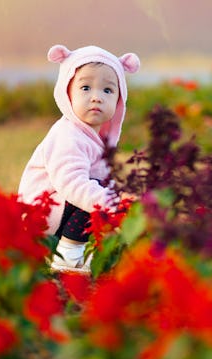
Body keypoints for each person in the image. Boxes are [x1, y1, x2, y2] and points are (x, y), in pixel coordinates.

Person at [18, 44, 140, 273]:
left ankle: (89, 247)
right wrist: (112, 201)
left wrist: (121, 197)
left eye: (107, 90)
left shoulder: (96, 137)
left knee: (106, 192)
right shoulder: (67, 135)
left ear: (119, 100)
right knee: (93, 195)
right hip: (42, 213)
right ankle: (68, 254)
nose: (96, 98)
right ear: (67, 92)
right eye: (85, 87)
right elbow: (72, 184)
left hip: (61, 208)